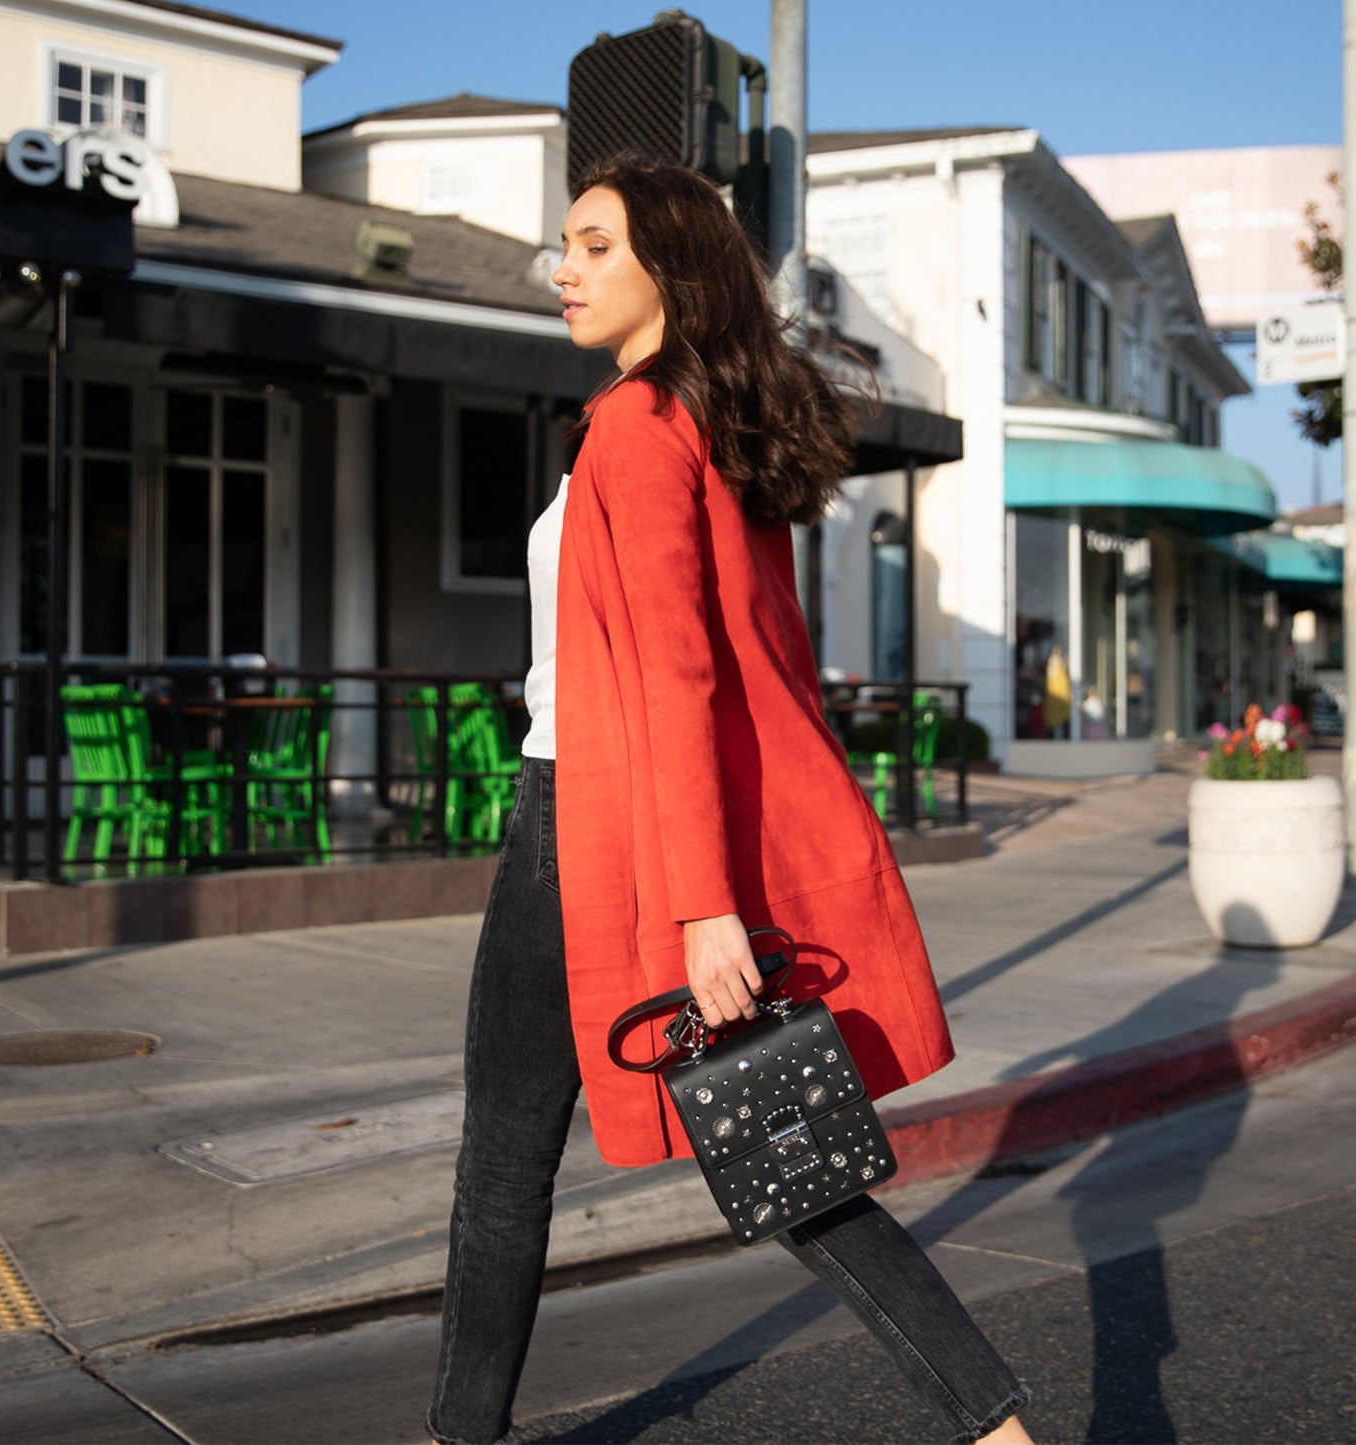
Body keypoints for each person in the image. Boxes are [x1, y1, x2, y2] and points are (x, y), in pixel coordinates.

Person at [426, 153, 1033, 1445]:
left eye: (593, 245)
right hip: (632, 811)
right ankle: (996, 1429)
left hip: (591, 819)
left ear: (669, 267)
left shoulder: (635, 426)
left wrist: (703, 906)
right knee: (774, 1145)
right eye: (565, 245)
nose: (563, 268)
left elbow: (681, 676)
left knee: (517, 1153)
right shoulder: (712, 422)